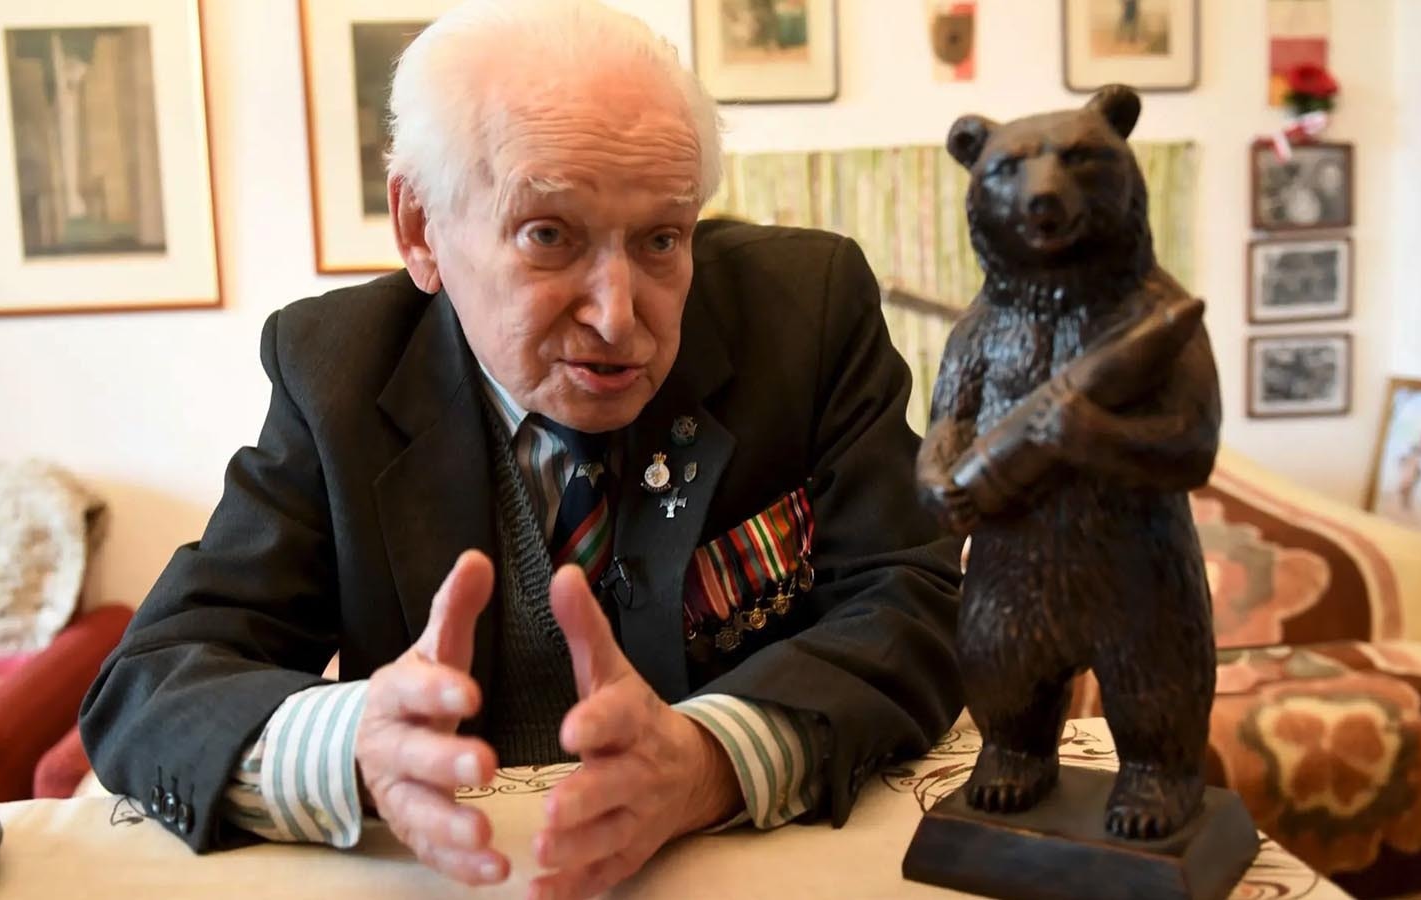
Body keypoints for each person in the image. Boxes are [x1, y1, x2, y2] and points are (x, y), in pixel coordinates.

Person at [78, 2, 962, 898]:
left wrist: (711, 760)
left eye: (662, 239)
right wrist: (353, 744)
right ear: (421, 229)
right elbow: (152, 684)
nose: (620, 317)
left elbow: (918, 600)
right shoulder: (335, 375)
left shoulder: (806, 313)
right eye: (549, 235)